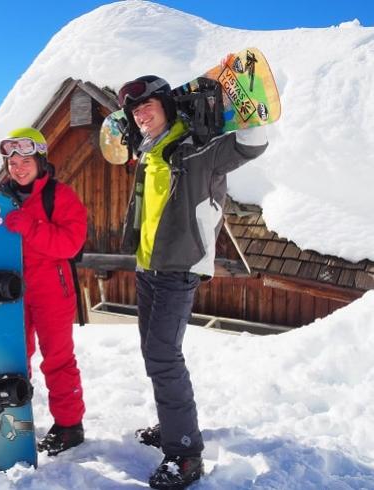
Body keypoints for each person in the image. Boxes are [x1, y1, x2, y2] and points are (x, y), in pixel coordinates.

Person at [117, 74, 268, 488]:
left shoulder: (198, 150)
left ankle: (185, 453)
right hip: (148, 267)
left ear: (166, 104)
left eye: (148, 104)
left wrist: (242, 100)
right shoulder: (150, 153)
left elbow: (252, 144)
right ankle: (172, 427)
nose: (141, 113)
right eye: (135, 109)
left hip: (178, 269)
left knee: (165, 357)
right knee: (154, 354)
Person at [0, 127, 87, 456]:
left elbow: (71, 243)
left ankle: (69, 425)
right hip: (10, 290)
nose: (18, 167)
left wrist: (32, 227)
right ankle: (14, 424)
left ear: (40, 159)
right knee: (13, 359)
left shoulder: (59, 196)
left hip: (51, 289)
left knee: (57, 360)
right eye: (12, 162)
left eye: (25, 160)